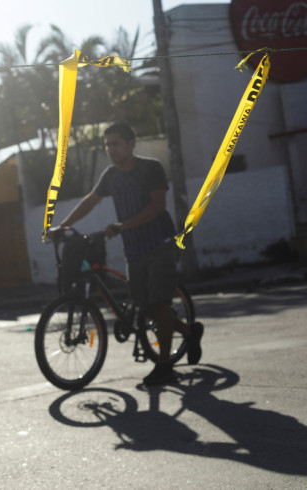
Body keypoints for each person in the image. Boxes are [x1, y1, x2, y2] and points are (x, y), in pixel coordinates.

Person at [48, 121, 204, 386]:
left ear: (131, 145)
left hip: (160, 244)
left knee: (159, 304)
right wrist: (63, 226)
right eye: (107, 145)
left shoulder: (150, 168)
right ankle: (189, 332)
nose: (111, 149)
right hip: (134, 250)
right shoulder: (111, 175)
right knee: (147, 310)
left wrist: (123, 226)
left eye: (116, 144)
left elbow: (157, 207)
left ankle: (164, 366)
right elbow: (90, 200)